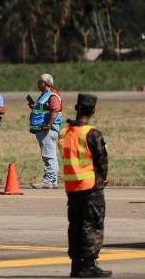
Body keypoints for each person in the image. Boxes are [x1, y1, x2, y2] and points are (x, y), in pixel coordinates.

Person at [64, 94, 110, 278]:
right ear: (93, 110)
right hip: (91, 186)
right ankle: (89, 263)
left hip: (72, 186)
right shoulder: (92, 133)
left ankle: (76, 265)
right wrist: (103, 177)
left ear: (77, 108)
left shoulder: (65, 132)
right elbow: (102, 160)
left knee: (75, 225)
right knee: (92, 224)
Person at [28, 73, 64, 190]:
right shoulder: (45, 95)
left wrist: (48, 125)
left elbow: (55, 110)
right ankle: (53, 180)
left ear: (46, 83)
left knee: (48, 155)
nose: (38, 84)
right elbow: (45, 109)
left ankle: (48, 180)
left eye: (40, 82)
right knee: (50, 154)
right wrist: (34, 106)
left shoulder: (52, 95)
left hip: (47, 129)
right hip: (43, 129)